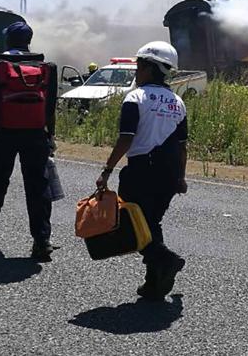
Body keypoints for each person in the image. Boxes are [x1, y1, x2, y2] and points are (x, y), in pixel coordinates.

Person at [96, 41, 189, 300]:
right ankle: (154, 283)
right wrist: (180, 177)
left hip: (142, 172)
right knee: (151, 222)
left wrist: (107, 170)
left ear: (149, 68)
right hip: (169, 174)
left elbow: (126, 138)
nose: (136, 72)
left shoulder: (136, 98)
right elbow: (182, 146)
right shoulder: (178, 102)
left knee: (132, 224)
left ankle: (165, 259)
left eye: (138, 67)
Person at [0, 21, 58, 260]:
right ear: (28, 40)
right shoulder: (45, 65)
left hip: (5, 133)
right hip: (36, 134)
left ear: (8, 40)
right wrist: (50, 134)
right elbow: (50, 105)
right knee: (38, 186)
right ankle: (42, 241)